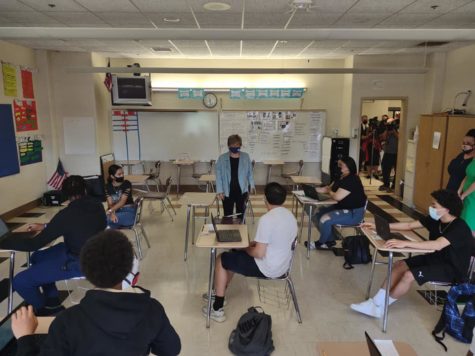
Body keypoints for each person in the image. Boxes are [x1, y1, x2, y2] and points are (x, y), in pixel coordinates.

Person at [11, 230, 181, 356]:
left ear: (86, 272)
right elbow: (170, 349)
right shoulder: (152, 310)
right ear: (129, 270)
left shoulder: (67, 321)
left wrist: (25, 338)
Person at [351, 189, 473, 318]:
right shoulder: (435, 219)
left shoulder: (459, 227)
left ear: (447, 209)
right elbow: (409, 225)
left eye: (434, 205)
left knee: (408, 275)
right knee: (400, 265)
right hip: (435, 258)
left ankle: (381, 306)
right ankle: (375, 304)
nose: (430, 208)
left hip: (452, 268)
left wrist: (405, 243)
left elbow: (437, 245)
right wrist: (376, 225)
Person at [0, 176, 107, 316]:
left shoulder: (67, 214)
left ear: (65, 194)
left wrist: (4, 242)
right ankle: (52, 298)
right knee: (37, 257)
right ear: (86, 189)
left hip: (80, 261)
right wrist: (45, 226)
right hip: (96, 253)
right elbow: (82, 224)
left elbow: (34, 244)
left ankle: (44, 309)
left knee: (20, 281)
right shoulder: (97, 205)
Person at [202, 182, 297, 322]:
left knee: (221, 259)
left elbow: (259, 253)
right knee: (233, 254)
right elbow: (276, 241)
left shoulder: (267, 219)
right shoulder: (290, 216)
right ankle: (219, 292)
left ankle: (217, 308)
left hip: (267, 267)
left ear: (265, 199)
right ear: (284, 199)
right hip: (283, 266)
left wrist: (245, 247)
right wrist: (248, 245)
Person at [305, 157, 367, 250]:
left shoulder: (352, 179)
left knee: (325, 219)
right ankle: (330, 240)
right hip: (341, 207)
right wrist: (311, 190)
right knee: (317, 214)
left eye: (341, 164)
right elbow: (327, 189)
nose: (339, 166)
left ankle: (320, 243)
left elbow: (337, 196)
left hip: (354, 213)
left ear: (348, 166)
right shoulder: (341, 177)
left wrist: (330, 191)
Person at [215, 134, 255, 219]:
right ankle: (228, 230)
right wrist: (219, 190)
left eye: (237, 145)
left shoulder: (245, 156)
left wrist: (252, 185)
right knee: (228, 214)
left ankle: (240, 230)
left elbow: (250, 173)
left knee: (241, 214)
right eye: (232, 145)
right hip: (227, 191)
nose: (235, 146)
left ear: (240, 145)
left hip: (242, 191)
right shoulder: (222, 158)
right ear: (228, 145)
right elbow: (218, 176)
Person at [105, 164, 136, 228]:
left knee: (103, 219)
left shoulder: (127, 183)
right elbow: (110, 203)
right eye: (119, 174)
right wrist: (112, 213)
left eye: (122, 173)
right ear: (112, 176)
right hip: (116, 212)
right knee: (108, 226)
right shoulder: (107, 186)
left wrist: (110, 211)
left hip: (128, 211)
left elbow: (122, 202)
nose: (122, 175)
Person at [459, 131, 475, 237]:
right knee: (463, 222)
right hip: (467, 196)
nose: (466, 145)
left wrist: (464, 195)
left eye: (469, 143)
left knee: (470, 225)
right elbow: (467, 175)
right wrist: (460, 190)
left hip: (472, 197)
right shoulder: (473, 159)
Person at [379, 119, 399, 192]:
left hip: (396, 154)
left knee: (397, 170)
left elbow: (400, 138)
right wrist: (387, 131)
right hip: (387, 153)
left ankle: (394, 186)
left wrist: (394, 132)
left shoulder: (398, 131)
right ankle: (386, 184)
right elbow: (383, 138)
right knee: (385, 169)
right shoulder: (387, 131)